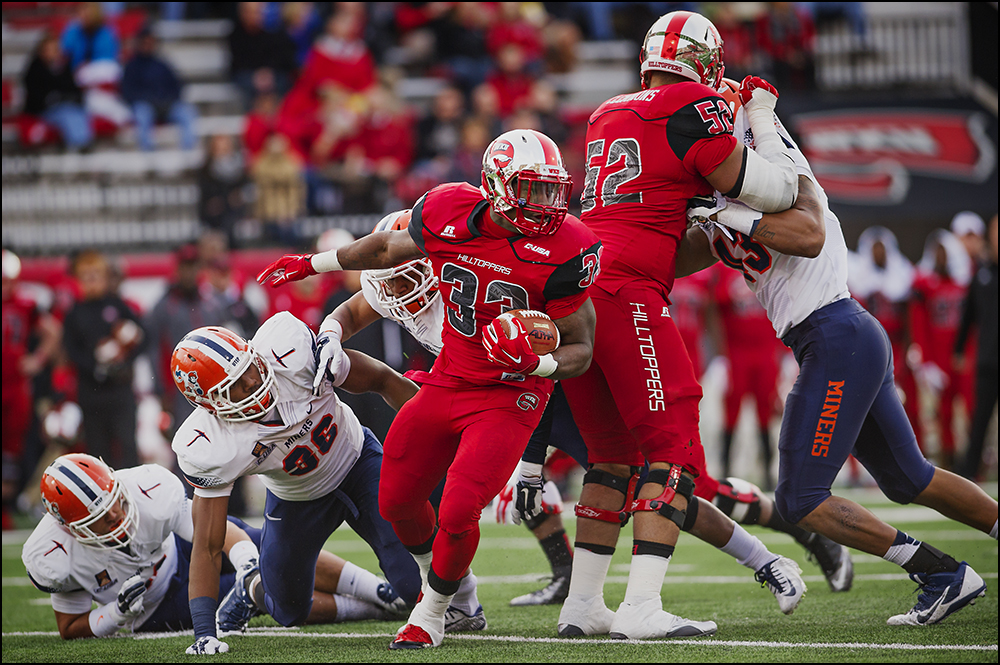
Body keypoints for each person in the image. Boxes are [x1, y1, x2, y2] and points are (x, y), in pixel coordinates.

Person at [257, 128, 603, 649]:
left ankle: (436, 611)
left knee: (462, 506)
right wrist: (313, 263)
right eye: (532, 190)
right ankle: (446, 588)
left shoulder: (566, 247)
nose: (548, 204)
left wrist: (541, 361)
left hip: (511, 392)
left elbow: (583, 347)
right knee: (395, 499)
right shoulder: (448, 211)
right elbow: (384, 248)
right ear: (496, 185)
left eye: (553, 190)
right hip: (448, 380)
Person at [678, 71, 998, 627]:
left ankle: (942, 573)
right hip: (839, 337)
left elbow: (808, 234)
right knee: (909, 479)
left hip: (834, 334)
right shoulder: (725, 195)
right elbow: (681, 258)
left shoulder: (778, 166)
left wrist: (722, 211)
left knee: (801, 497)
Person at [555, 10, 805, 640]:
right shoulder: (696, 104)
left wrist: (709, 226)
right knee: (672, 446)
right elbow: (771, 192)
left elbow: (662, 234)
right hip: (626, 292)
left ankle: (583, 604)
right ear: (703, 61)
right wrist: (755, 118)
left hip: (583, 285)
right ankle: (641, 605)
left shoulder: (608, 110)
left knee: (611, 455)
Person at [168, 314, 423, 655]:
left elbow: (379, 377)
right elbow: (208, 545)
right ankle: (253, 587)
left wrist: (436, 429)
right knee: (288, 609)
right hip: (296, 498)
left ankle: (440, 599)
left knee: (415, 584)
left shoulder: (289, 351)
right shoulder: (209, 444)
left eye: (250, 369)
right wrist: (204, 631)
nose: (252, 384)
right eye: (236, 386)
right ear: (210, 405)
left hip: (358, 461)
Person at [22, 454, 401, 641]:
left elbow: (212, 533)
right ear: (70, 529)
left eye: (117, 503)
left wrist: (248, 563)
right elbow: (69, 626)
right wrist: (114, 616)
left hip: (181, 551)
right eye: (101, 520)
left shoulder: (148, 489)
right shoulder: (52, 557)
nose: (119, 517)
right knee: (272, 599)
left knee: (270, 553)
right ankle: (373, 609)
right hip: (157, 606)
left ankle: (383, 592)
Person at [62, 250, 147, 470]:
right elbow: (72, 351)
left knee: (128, 445)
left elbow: (143, 337)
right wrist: (97, 366)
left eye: (95, 275)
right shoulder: (74, 313)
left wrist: (123, 363)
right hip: (92, 392)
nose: (91, 281)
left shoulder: (118, 306)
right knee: (97, 450)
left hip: (120, 389)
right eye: (86, 276)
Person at [2, 249, 61, 529]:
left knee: (12, 449)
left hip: (14, 385)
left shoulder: (26, 304)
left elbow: (52, 331)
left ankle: (7, 506)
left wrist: (36, 360)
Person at [848, 227, 920, 445]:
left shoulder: (902, 276)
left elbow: (909, 317)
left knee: (907, 403)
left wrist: (911, 348)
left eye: (882, 249)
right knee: (867, 404)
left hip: (897, 347)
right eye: (874, 249)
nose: (879, 254)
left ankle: (914, 448)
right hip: (871, 350)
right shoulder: (859, 280)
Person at [910, 230, 973, 469]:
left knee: (971, 408)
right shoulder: (924, 285)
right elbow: (919, 325)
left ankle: (973, 459)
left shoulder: (965, 281)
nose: (940, 258)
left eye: (944, 253)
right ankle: (949, 460)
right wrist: (926, 361)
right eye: (936, 253)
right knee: (942, 413)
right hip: (938, 358)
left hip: (963, 356)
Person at [953, 214, 998, 480]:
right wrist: (958, 350)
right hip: (988, 360)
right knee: (978, 422)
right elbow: (968, 315)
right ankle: (968, 476)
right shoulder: (981, 273)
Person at [121, 26, 199, 151]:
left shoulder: (162, 64)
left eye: (151, 42)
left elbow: (177, 87)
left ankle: (188, 152)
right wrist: (148, 99)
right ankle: (147, 153)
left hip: (166, 106)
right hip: (146, 106)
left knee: (187, 112)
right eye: (145, 42)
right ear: (139, 43)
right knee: (142, 113)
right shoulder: (132, 67)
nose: (148, 45)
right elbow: (128, 93)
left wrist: (167, 99)